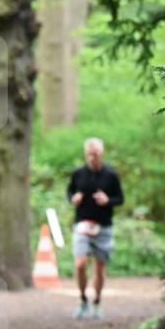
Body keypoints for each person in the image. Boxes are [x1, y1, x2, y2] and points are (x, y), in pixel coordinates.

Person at [66, 137, 124, 319]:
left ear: (101, 154)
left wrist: (108, 201)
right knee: (80, 264)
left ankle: (97, 302)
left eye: (95, 154)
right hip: (82, 225)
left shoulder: (111, 175)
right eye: (89, 154)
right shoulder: (78, 173)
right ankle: (83, 300)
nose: (92, 158)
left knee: (99, 268)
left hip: (103, 227)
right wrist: (72, 198)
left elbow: (120, 199)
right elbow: (69, 191)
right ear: (85, 154)